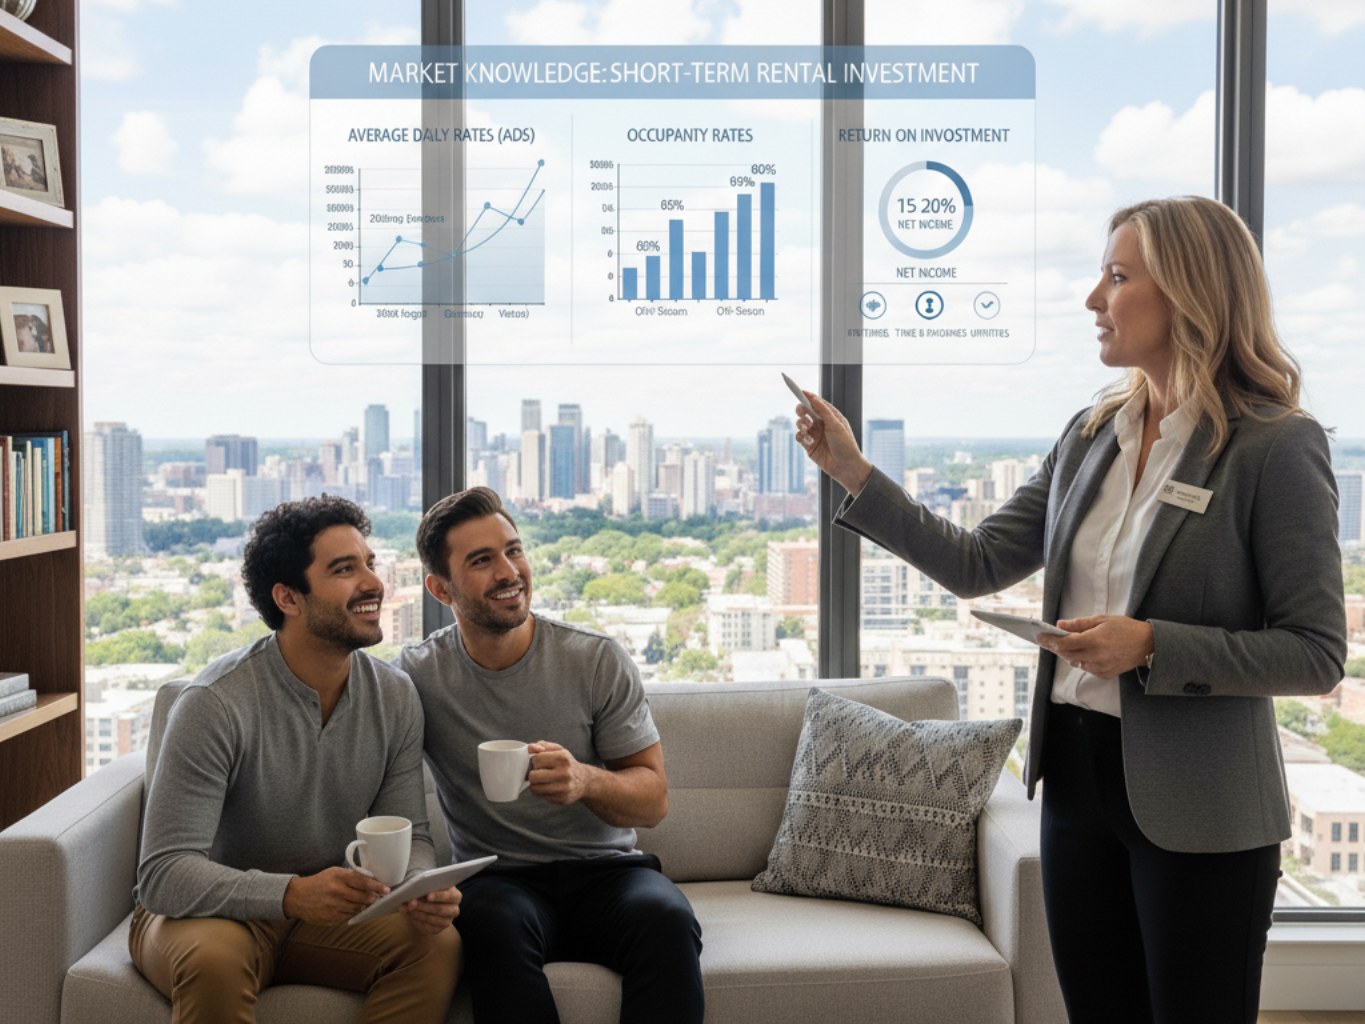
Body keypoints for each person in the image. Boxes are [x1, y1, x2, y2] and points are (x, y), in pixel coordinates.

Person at [793, 196, 1346, 1024]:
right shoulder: (1090, 433)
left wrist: (1153, 643)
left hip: (1203, 807)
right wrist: (854, 474)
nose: (1093, 298)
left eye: (1117, 277)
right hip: (1077, 785)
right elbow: (976, 561)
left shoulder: (1273, 445)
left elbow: (1313, 652)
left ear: (1189, 294)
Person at [131, 496, 463, 1024]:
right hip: (212, 913)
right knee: (215, 962)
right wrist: (290, 894)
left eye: (370, 563)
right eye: (344, 569)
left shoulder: (396, 696)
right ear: (288, 597)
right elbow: (165, 875)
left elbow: (411, 835)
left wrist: (419, 888)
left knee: (435, 944)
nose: (373, 582)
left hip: (329, 915)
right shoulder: (214, 703)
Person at [397, 486, 704, 1024]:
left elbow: (653, 800)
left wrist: (586, 782)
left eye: (513, 550)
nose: (509, 571)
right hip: (499, 877)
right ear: (440, 589)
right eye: (482, 560)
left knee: (666, 918)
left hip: (608, 873)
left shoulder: (594, 659)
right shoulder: (417, 676)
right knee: (489, 922)